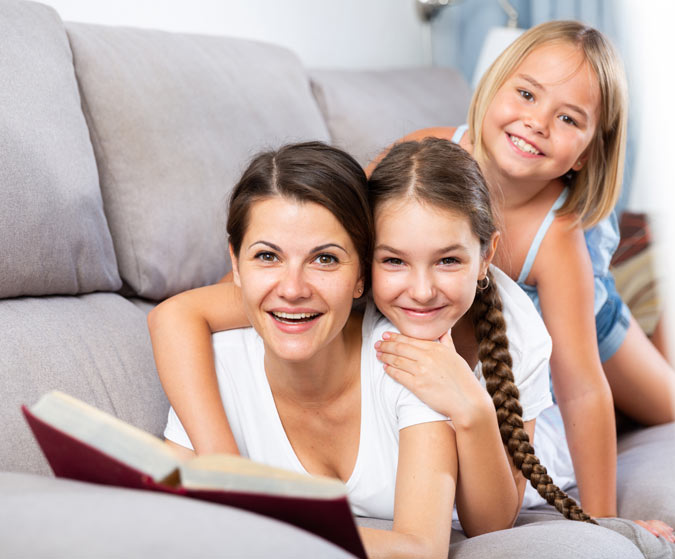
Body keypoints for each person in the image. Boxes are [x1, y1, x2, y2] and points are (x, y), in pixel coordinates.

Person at [149, 138, 674, 543]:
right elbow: (181, 315)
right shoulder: (320, 300)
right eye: (394, 260)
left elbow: (493, 521)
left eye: (448, 260)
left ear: (487, 256)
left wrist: (471, 407)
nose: (420, 291)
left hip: (530, 441)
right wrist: (225, 469)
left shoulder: (517, 334)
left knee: (666, 401)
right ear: (365, 261)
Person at [370, 20, 675, 522]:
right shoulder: (425, 151)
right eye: (526, 94)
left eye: (568, 119)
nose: (537, 122)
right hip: (531, 333)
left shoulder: (555, 236)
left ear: (587, 153)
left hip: (590, 317)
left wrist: (603, 525)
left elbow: (581, 387)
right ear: (494, 85)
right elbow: (341, 233)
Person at [153, 142, 458, 559]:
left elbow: (421, 550)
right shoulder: (215, 367)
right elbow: (163, 510)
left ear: (361, 275)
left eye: (325, 260)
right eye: (266, 256)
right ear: (236, 265)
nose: (293, 289)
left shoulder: (406, 361)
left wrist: (258, 525)